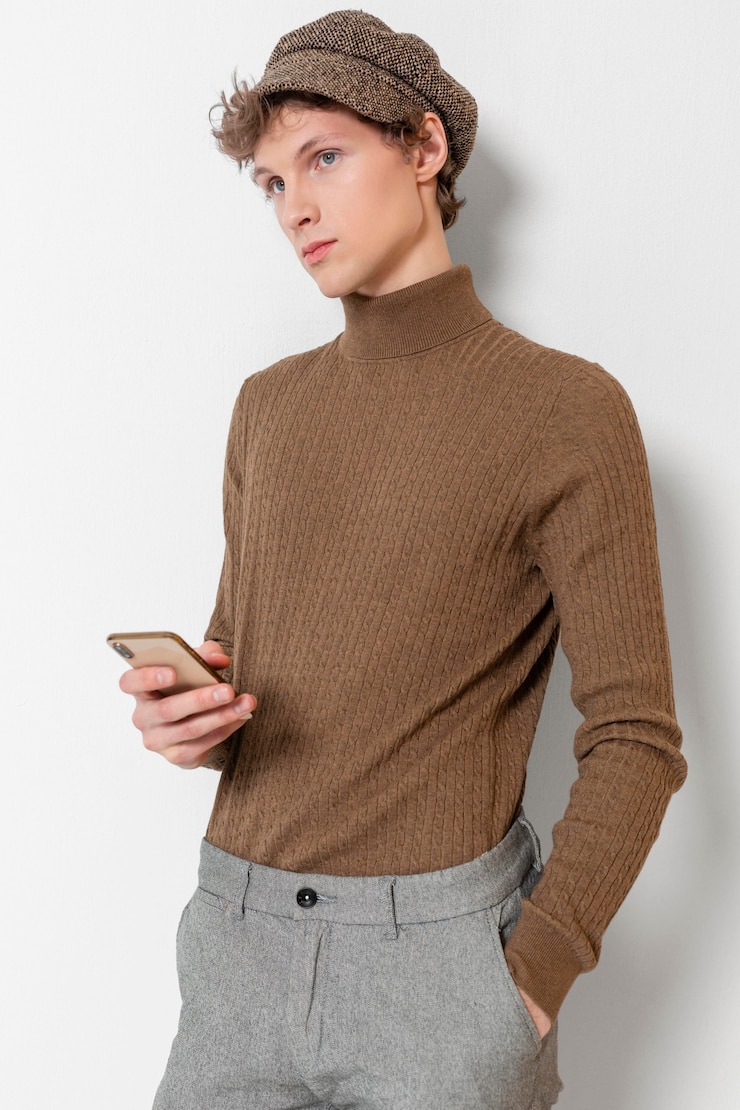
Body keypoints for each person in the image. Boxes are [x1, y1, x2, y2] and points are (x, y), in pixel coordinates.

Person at [119, 11, 687, 1109]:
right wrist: (190, 720)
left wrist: (531, 978)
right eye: (271, 182)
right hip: (235, 947)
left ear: (424, 147)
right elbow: (250, 669)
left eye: (323, 158)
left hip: (440, 974)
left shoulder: (564, 409)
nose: (295, 207)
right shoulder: (268, 406)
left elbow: (636, 735)